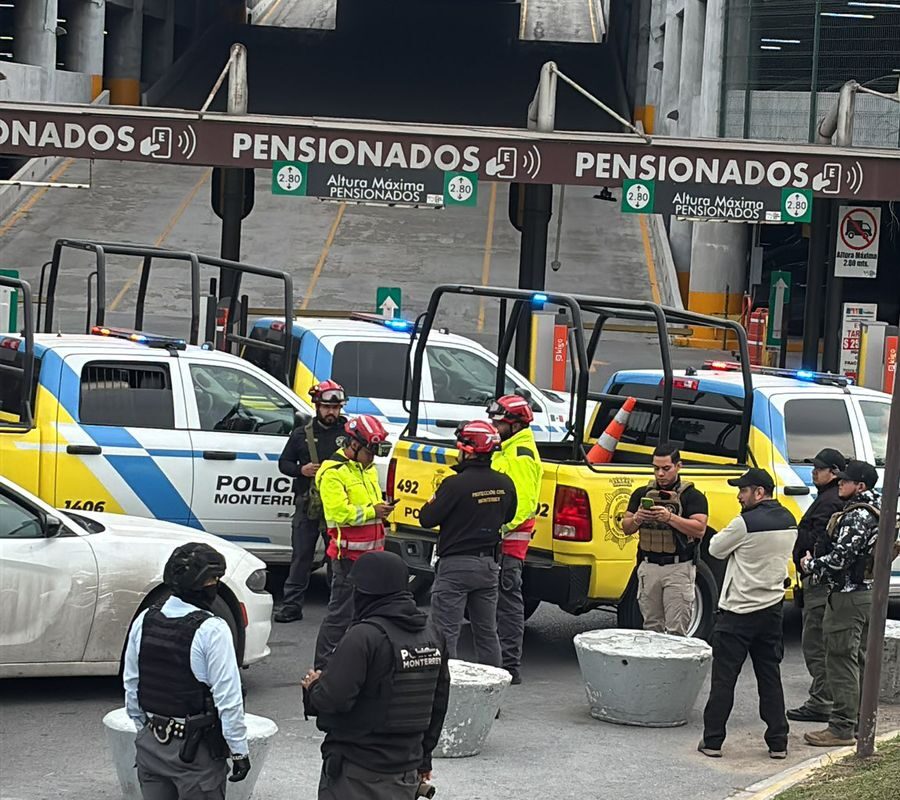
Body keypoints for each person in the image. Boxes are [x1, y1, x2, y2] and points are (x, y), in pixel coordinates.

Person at [302, 550, 450, 800]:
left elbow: (333, 699)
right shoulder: (433, 634)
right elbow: (438, 703)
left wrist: (314, 686)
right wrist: (424, 759)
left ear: (366, 591)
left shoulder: (364, 636)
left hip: (357, 772)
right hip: (405, 772)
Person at [123, 543, 251, 799]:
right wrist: (238, 750)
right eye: (213, 579)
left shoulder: (146, 618)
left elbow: (132, 684)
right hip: (195, 753)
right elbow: (229, 698)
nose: (216, 585)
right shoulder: (212, 630)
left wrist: (145, 730)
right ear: (198, 583)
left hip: (151, 746)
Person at [698, 468, 798, 760]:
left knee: (724, 679)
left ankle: (713, 741)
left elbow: (715, 548)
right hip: (772, 609)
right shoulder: (789, 520)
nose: (739, 496)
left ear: (759, 492)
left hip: (738, 611)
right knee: (769, 677)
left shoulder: (744, 523)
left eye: (743, 490)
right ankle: (778, 741)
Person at [419, 420, 517, 667]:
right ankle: (492, 694)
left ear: (468, 450)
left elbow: (427, 519)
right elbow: (510, 516)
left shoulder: (454, 485)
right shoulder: (505, 483)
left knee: (444, 634)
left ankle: (444, 695)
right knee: (486, 634)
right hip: (488, 567)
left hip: (456, 567)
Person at [799, 459, 881, 747]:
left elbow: (840, 560)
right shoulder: (877, 508)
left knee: (840, 660)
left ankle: (842, 727)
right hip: (867, 594)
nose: (840, 484)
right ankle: (859, 721)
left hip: (847, 596)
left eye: (845, 481)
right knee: (857, 659)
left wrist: (811, 564)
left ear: (859, 486)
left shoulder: (857, 515)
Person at [314, 414, 394, 669]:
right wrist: (375, 511)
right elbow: (338, 514)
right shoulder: (333, 473)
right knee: (340, 616)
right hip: (347, 559)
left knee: (368, 617)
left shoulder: (367, 469)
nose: (373, 457)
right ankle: (323, 668)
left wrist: (382, 512)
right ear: (354, 444)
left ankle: (357, 666)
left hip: (372, 557)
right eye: (370, 451)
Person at [275, 380, 349, 623]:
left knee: (337, 559)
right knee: (301, 557)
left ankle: (337, 609)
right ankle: (291, 606)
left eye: (336, 408)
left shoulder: (349, 434)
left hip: (337, 506)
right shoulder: (301, 434)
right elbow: (283, 464)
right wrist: (301, 470)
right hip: (307, 504)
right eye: (327, 407)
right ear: (317, 406)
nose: (332, 412)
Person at [621, 443, 709, 635]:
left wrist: (670, 518)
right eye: (656, 468)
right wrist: (637, 518)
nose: (660, 474)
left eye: (666, 468)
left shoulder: (692, 496)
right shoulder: (641, 494)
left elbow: (699, 529)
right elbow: (626, 528)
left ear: (679, 466)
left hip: (678, 568)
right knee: (651, 630)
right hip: (648, 566)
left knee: (676, 631)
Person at [787, 447, 847, 723]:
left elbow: (822, 538)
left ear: (834, 472)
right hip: (819, 579)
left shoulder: (831, 501)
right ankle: (825, 698)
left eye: (819, 468)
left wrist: (809, 558)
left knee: (815, 642)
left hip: (820, 580)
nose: (813, 472)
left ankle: (822, 701)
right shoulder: (829, 497)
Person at [487, 394, 543, 685]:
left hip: (508, 543)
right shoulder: (507, 448)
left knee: (508, 603)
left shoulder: (520, 454)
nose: (494, 426)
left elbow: (521, 504)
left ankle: (509, 664)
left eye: (498, 421)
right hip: (501, 541)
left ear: (514, 423)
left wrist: (496, 528)